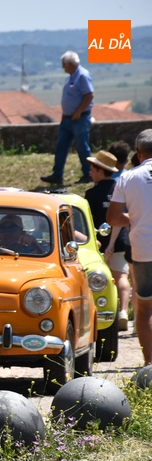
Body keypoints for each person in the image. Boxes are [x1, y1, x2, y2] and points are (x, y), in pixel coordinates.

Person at [107, 129, 152, 364]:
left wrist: (133, 218)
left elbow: (113, 218)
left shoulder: (128, 177)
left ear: (138, 152)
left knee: (145, 309)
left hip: (144, 248)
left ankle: (150, 365)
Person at [84, 149, 131, 331]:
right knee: (121, 277)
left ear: (100, 171)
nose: (90, 173)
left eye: (92, 170)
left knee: (98, 280)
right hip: (120, 241)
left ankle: (99, 312)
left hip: (97, 244)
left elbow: (88, 222)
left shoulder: (91, 194)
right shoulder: (121, 190)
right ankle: (124, 311)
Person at [40, 51, 94, 186]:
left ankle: (88, 173)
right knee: (61, 146)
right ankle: (57, 174)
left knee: (82, 147)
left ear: (70, 64)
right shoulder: (70, 77)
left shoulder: (82, 76)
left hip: (80, 118)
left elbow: (89, 95)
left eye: (64, 64)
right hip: (67, 119)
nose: (63, 67)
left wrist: (79, 112)